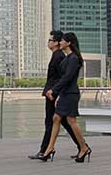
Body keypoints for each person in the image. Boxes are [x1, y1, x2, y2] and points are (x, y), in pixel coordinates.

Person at [36, 32, 92, 163]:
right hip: (65, 93)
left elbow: (67, 78)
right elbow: (62, 77)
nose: (60, 42)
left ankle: (84, 148)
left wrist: (54, 90)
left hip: (71, 94)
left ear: (69, 43)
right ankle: (49, 149)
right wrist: (58, 94)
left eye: (62, 41)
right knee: (56, 118)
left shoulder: (74, 59)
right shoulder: (68, 58)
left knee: (71, 121)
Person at [28, 30, 80, 160]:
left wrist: (55, 92)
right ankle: (81, 147)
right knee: (62, 122)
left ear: (57, 43)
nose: (48, 42)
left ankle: (45, 150)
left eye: (51, 40)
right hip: (54, 92)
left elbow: (64, 77)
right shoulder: (58, 55)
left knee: (52, 122)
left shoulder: (60, 57)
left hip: (56, 93)